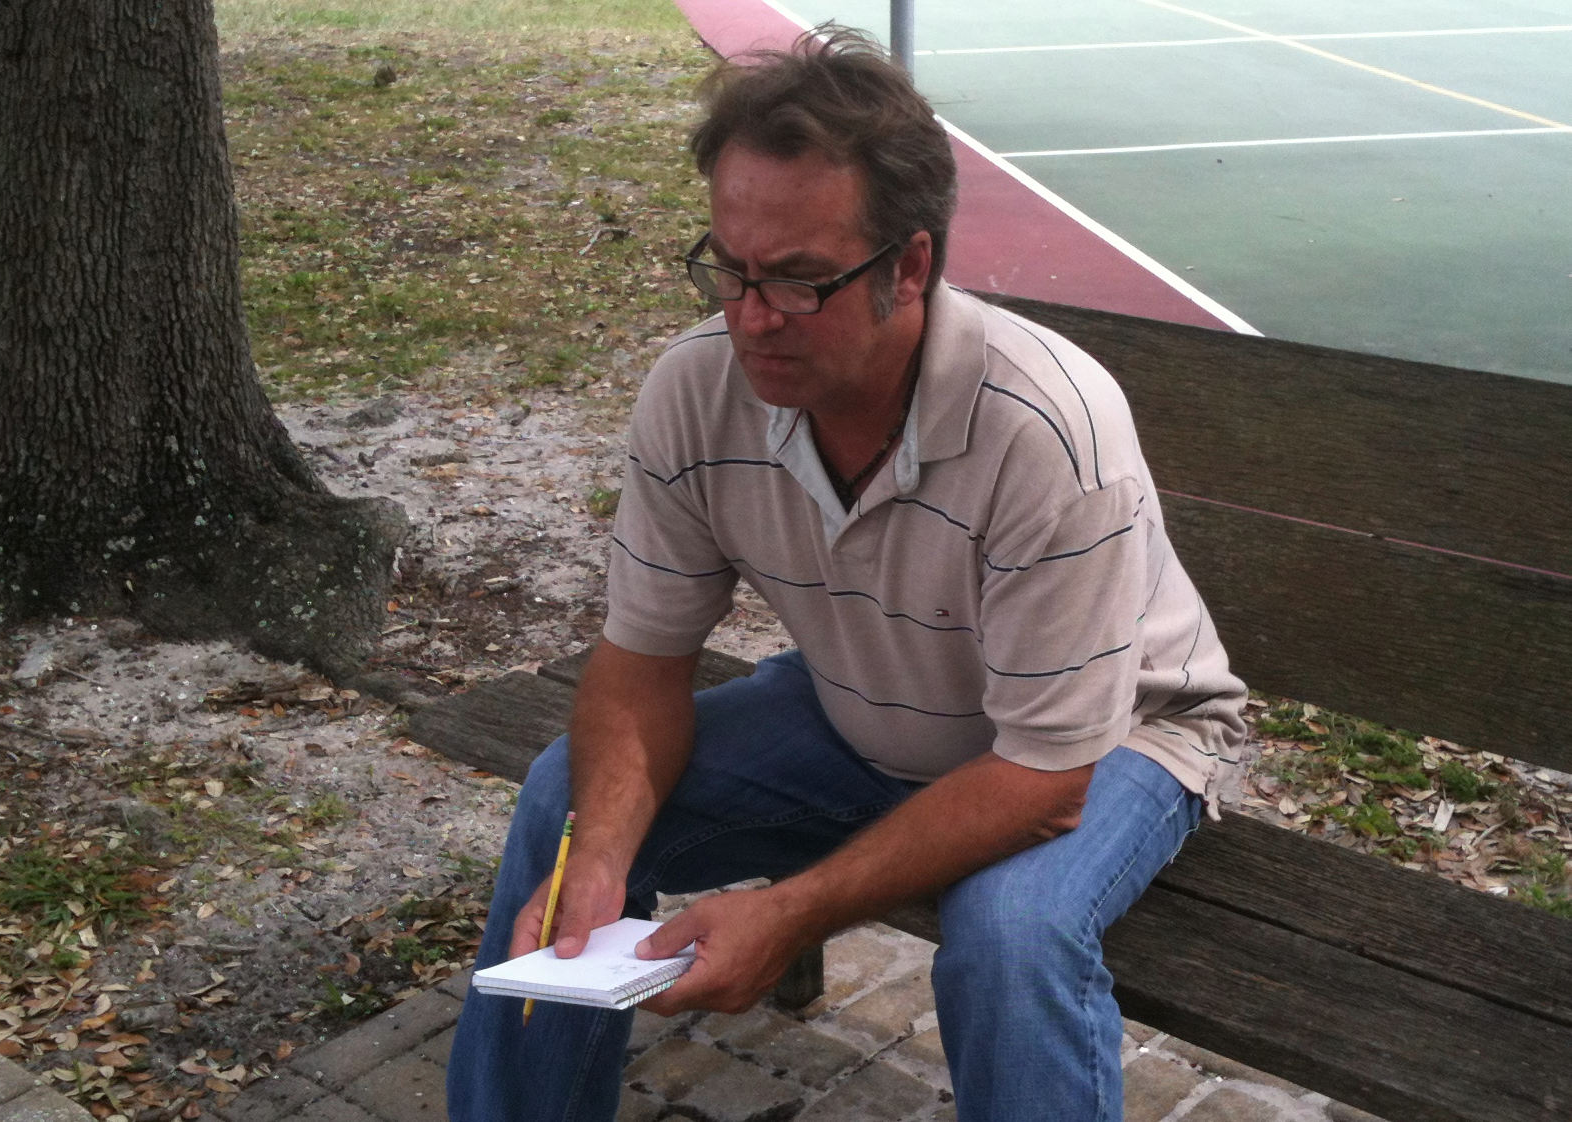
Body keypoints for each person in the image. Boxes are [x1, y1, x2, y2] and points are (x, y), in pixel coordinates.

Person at [446, 26, 1245, 1122]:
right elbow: (640, 668)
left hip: (1115, 737)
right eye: (730, 268)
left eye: (800, 281)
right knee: (564, 806)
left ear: (910, 265)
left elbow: (1042, 782)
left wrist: (790, 911)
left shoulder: (1043, 427)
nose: (752, 318)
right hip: (868, 711)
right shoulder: (696, 390)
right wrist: (599, 857)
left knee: (1009, 940)